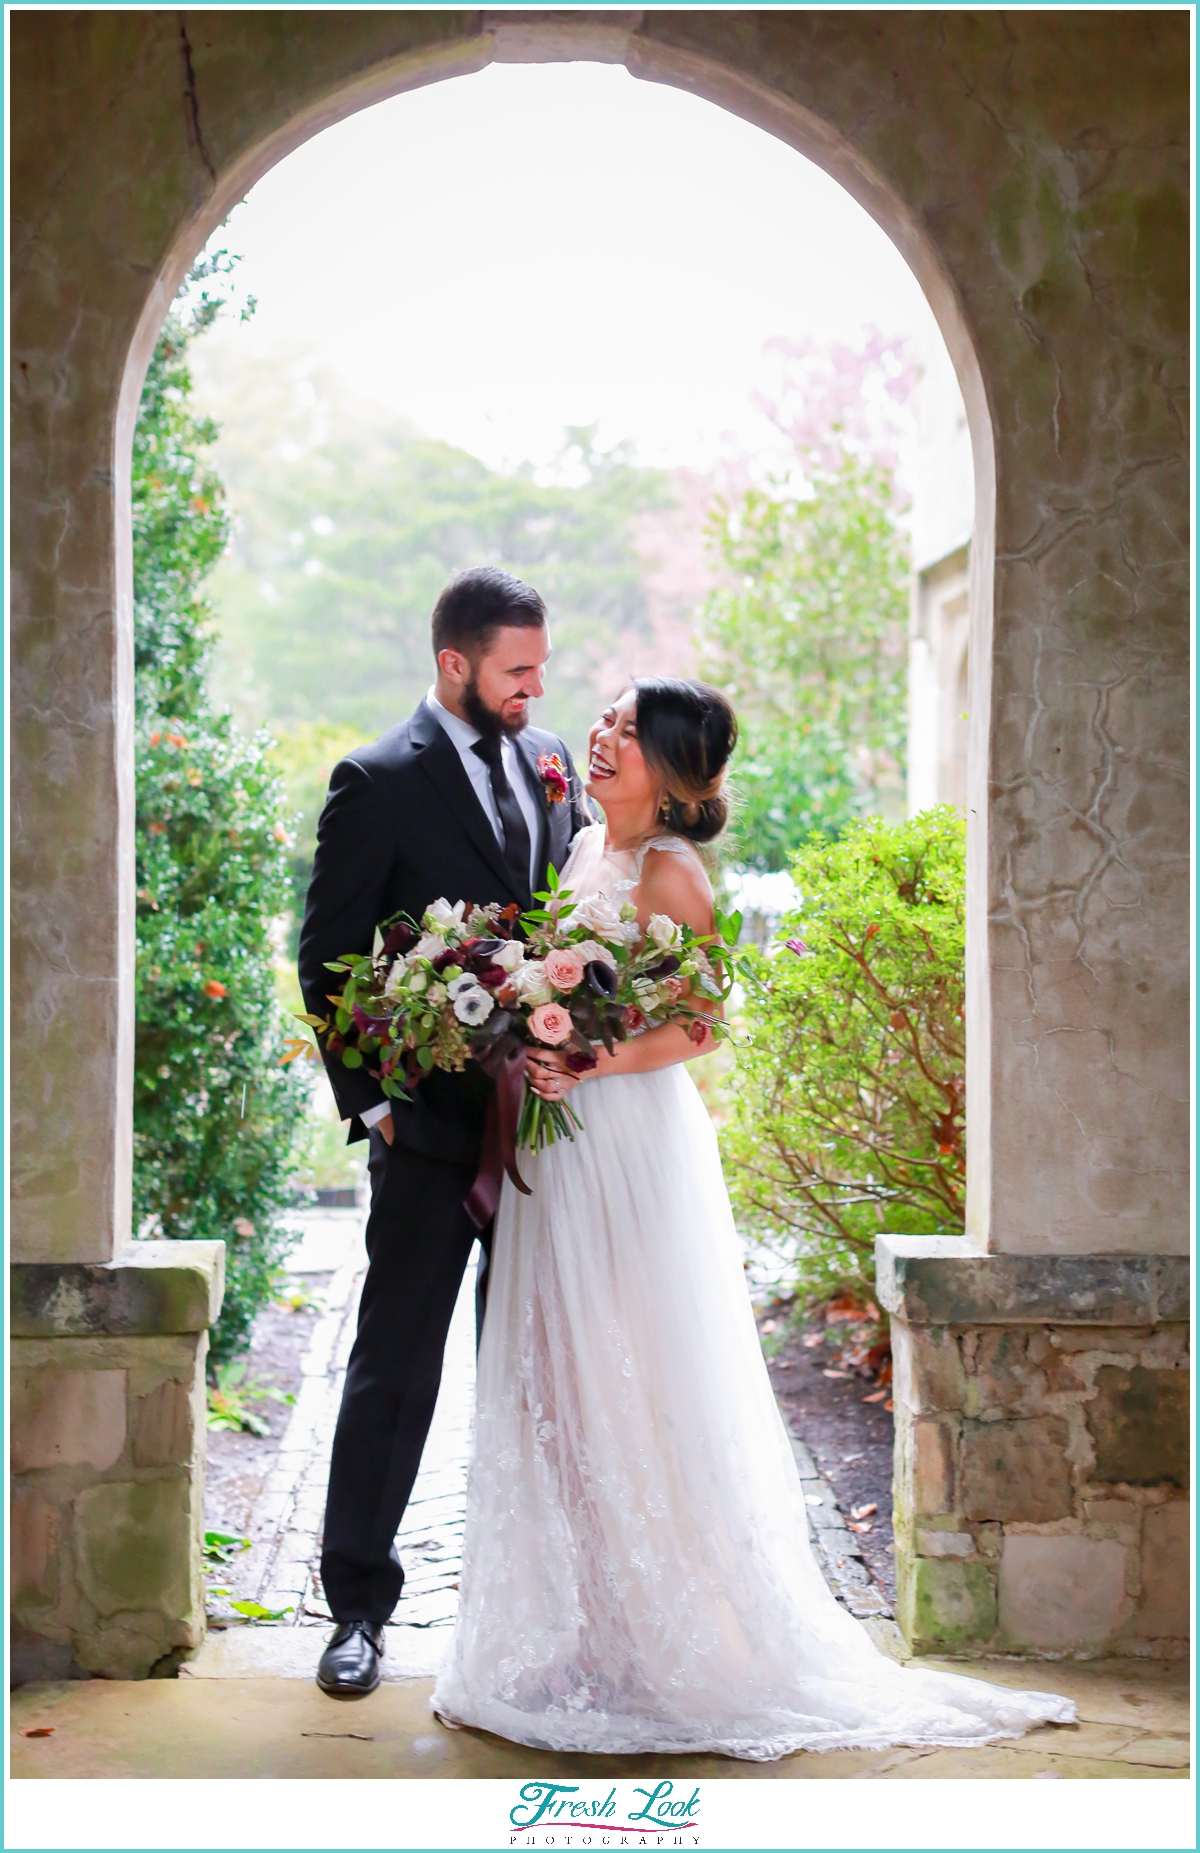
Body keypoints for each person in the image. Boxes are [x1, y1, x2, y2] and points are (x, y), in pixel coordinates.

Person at [431, 676, 1076, 1759]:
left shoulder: (671, 873)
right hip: (565, 1141)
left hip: (628, 1139)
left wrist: (592, 1058)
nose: (602, 734)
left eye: (630, 733)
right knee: (565, 1373)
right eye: (609, 719)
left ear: (674, 774)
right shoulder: (584, 845)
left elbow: (702, 1023)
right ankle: (593, 1626)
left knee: (634, 1370)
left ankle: (671, 1642)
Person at [298, 566, 592, 1699]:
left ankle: (535, 1611)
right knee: (395, 1369)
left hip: (546, 1141)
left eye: (540, 671)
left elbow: (568, 917)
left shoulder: (553, 759)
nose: (533, 691)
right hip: (425, 1142)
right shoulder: (375, 781)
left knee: (534, 1372)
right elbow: (327, 953)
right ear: (454, 665)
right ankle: (357, 1608)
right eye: (515, 672)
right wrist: (373, 1104)